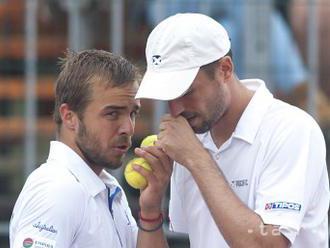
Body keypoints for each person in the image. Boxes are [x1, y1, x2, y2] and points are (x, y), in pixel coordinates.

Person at [136, 13, 330, 247]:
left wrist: (196, 158)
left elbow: (266, 245)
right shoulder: (189, 138)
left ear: (225, 69)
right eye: (168, 95)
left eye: (186, 92)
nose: (176, 109)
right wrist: (150, 210)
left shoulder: (292, 128)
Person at [9, 49, 171, 248]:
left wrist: (150, 211)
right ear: (69, 117)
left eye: (133, 114)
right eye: (112, 114)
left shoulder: (107, 186)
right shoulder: (57, 190)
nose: (128, 128)